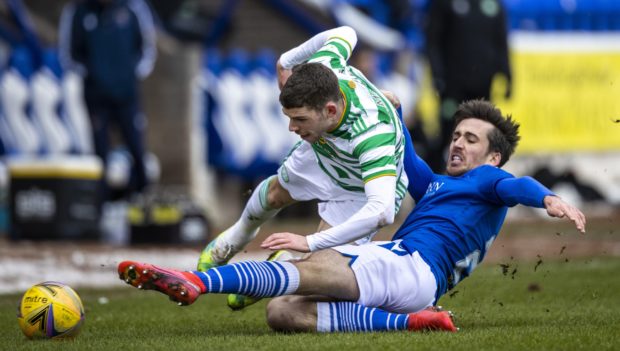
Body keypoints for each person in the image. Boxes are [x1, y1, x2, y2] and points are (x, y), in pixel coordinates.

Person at [118, 99, 586, 333]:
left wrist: (549, 199)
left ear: (494, 158)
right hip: (405, 276)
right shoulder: (443, 186)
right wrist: (391, 112)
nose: (458, 143)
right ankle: (414, 322)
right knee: (283, 314)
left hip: (410, 266)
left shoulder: (490, 182)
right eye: (457, 134)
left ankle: (196, 283)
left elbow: (518, 187)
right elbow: (404, 157)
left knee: (300, 268)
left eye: (471, 140)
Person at [196, 26, 409, 309]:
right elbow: (346, 33)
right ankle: (231, 241)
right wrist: (286, 62)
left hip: (361, 184)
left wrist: (310, 242)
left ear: (330, 111)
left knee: (320, 271)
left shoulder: (371, 135)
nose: (291, 127)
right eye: (289, 117)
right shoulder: (324, 68)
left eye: (299, 119)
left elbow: (381, 211)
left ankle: (280, 266)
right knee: (275, 194)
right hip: (325, 145)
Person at [58, 0, 157, 197]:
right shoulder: (78, 11)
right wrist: (96, 75)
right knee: (100, 152)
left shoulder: (133, 7)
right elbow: (69, 55)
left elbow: (146, 48)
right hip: (96, 97)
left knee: (136, 147)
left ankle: (142, 199)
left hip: (127, 95)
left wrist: (128, 74)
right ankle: (101, 205)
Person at [425, 0, 512, 172]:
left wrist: (508, 76)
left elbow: (501, 42)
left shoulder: (493, 5)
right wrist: (437, 74)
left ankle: (476, 181)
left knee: (482, 134)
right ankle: (434, 182)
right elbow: (433, 40)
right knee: (448, 133)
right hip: (452, 86)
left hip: (483, 86)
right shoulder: (446, 4)